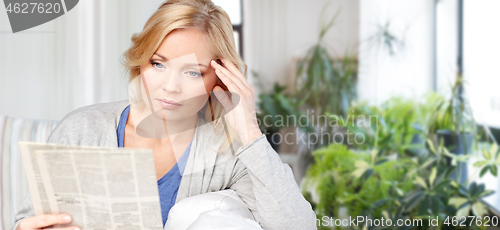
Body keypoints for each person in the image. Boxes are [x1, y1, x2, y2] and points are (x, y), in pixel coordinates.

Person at [12, 0, 317, 229]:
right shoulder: (82, 130)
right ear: (141, 62)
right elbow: (30, 220)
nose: (170, 87)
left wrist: (249, 130)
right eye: (158, 64)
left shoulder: (228, 152)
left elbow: (298, 226)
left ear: (219, 80)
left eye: (193, 72)